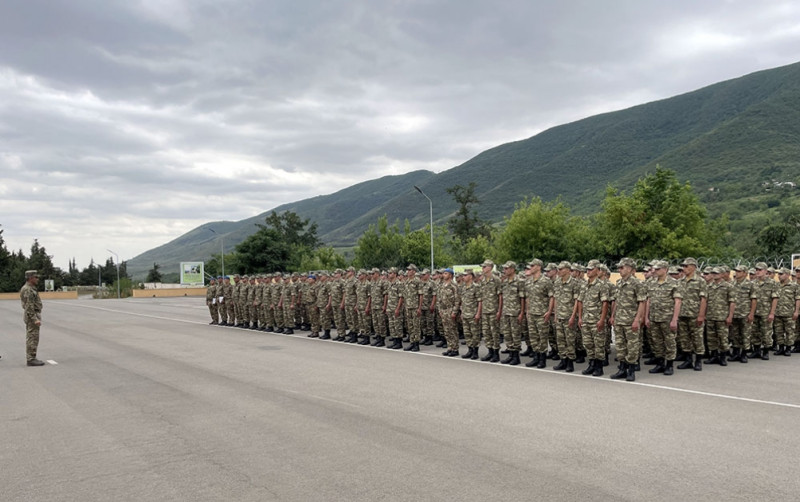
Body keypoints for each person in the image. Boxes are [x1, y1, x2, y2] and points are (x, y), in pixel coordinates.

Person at [20, 270, 45, 366]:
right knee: (32, 337)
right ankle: (31, 359)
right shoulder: (28, 289)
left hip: (33, 315)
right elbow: (29, 306)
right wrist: (35, 319)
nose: (37, 279)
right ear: (30, 278)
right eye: (36, 277)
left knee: (33, 337)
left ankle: (32, 357)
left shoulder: (31, 288)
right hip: (31, 316)